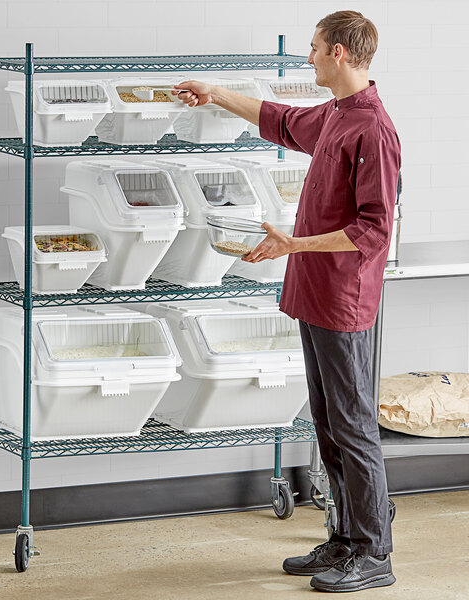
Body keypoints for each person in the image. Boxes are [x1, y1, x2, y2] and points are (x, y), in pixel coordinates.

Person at [172, 10, 400, 594]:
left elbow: (374, 231)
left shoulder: (372, 129)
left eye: (315, 48)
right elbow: (281, 120)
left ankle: (374, 554)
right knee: (326, 424)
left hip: (345, 300)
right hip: (314, 295)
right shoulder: (335, 116)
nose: (309, 57)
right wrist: (217, 93)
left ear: (340, 55)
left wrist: (292, 243)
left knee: (353, 427)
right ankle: (345, 540)